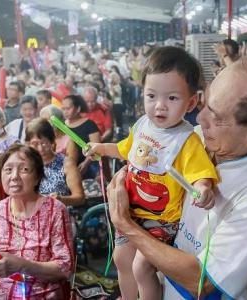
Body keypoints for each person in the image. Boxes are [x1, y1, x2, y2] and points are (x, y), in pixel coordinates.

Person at [106, 57, 247, 299]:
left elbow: (202, 280)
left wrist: (125, 224)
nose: (199, 119)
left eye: (216, 117)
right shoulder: (197, 139)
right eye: (204, 104)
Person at [87, 46, 219, 300]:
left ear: (191, 102)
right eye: (151, 96)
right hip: (132, 212)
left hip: (162, 220)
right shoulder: (143, 126)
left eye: (172, 98)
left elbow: (200, 173)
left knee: (141, 266)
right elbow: (125, 150)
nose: (159, 106)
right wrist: (100, 148)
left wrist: (203, 188)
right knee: (121, 257)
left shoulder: (186, 140)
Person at [0, 144, 74, 299]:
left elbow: (65, 268)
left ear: (37, 177)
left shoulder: (55, 210)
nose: (14, 176)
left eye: (24, 170)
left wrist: (22, 265)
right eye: (8, 170)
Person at [26, 118, 84, 207]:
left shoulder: (66, 163)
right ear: (28, 144)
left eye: (44, 143)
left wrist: (61, 199)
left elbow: (80, 197)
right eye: (35, 144)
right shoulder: (26, 165)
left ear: (52, 141)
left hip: (61, 215)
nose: (40, 149)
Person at [61, 94, 100, 179]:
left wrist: (86, 163)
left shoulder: (90, 125)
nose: (65, 112)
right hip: (68, 166)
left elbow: (96, 148)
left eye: (68, 108)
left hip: (88, 164)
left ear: (78, 109)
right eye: (63, 109)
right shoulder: (62, 126)